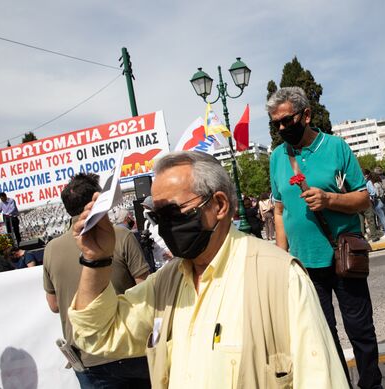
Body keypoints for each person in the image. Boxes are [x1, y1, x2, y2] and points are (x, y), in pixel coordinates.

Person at [68, 151, 349, 388]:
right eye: (157, 216)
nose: (165, 225)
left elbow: (320, 379)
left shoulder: (279, 278)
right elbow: (98, 335)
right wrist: (96, 259)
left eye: (174, 213)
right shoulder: (165, 284)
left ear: (219, 205)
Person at [267, 87, 382, 389]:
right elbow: (279, 211)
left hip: (343, 257)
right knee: (322, 335)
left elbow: (363, 199)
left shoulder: (336, 147)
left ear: (306, 115)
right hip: (305, 264)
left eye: (287, 120)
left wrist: (330, 200)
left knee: (360, 328)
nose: (281, 128)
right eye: (275, 123)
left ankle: (371, 384)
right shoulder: (278, 157)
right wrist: (282, 258)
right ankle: (339, 382)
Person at [43, 173, 151, 388]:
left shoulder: (51, 249)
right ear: (99, 198)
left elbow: (54, 305)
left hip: (87, 357)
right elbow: (145, 288)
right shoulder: (121, 236)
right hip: (129, 349)